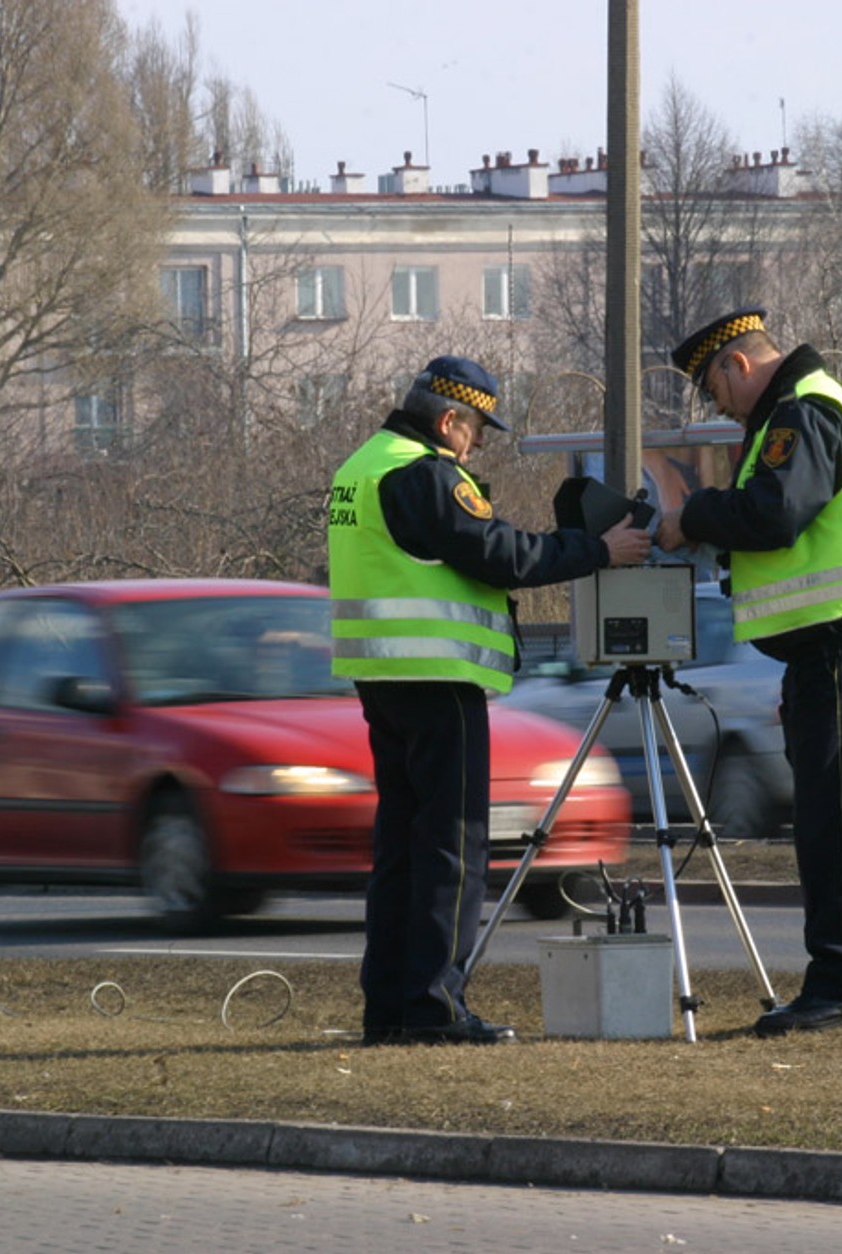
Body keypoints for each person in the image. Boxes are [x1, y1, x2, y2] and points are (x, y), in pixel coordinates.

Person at [328, 355, 651, 1045]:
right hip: (438, 679)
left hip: (381, 677)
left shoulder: (362, 465)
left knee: (401, 849)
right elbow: (499, 553)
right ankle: (435, 1005)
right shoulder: (426, 474)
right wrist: (596, 550)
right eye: (476, 431)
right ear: (449, 421)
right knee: (453, 846)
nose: (476, 445)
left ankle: (388, 1005)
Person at [654, 309, 842, 1037]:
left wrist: (695, 516)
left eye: (714, 388)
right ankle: (839, 979)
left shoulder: (799, 414)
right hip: (828, 645)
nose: (717, 406)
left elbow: (773, 515)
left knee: (834, 816)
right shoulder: (803, 410)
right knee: (825, 814)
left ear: (737, 365)